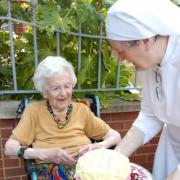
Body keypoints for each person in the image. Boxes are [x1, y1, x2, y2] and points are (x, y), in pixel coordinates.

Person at [4, 56, 120, 179]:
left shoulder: (81, 110)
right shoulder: (34, 111)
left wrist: (98, 146)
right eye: (56, 88)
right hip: (50, 169)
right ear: (44, 91)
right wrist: (44, 154)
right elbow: (10, 148)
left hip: (84, 167)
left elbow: (115, 136)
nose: (63, 93)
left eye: (67, 86)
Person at [106, 0, 180, 180]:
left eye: (121, 52)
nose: (120, 60)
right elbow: (150, 115)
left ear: (145, 41)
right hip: (171, 147)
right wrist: (117, 156)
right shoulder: (149, 61)